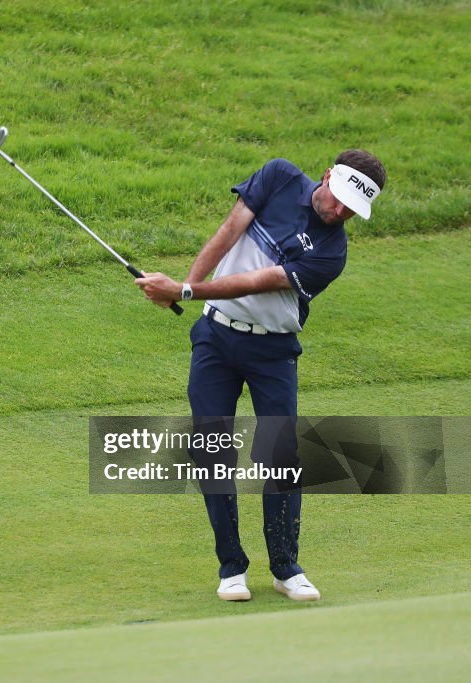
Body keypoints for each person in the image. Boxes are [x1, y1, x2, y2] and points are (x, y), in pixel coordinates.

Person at [135, 151, 386, 602]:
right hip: (216, 340)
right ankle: (231, 567)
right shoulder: (279, 176)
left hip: (273, 352)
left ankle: (286, 568)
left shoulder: (333, 251)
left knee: (280, 455)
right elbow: (229, 232)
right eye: (340, 199)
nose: (342, 212)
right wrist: (183, 289)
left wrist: (186, 290)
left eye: (353, 210)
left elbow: (259, 281)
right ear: (328, 176)